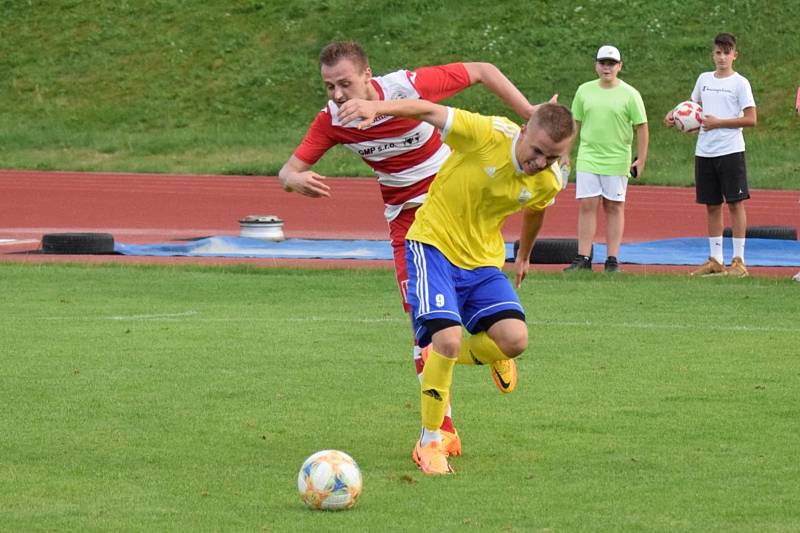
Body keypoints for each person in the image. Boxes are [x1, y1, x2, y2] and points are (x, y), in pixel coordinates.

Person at [278, 41, 539, 457]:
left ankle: (492, 350)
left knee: (493, 326)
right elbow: (288, 169)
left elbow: (482, 69)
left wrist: (529, 114)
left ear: (368, 75)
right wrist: (293, 180)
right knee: (426, 328)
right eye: (329, 87)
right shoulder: (331, 121)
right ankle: (442, 430)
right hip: (407, 222)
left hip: (456, 209)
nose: (338, 95)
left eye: (345, 83)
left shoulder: (405, 87)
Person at [338, 97, 576, 474]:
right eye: (537, 151)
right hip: (433, 245)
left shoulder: (548, 179)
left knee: (514, 341)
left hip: (482, 261)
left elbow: (536, 210)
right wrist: (375, 106)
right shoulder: (486, 134)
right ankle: (430, 441)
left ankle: (459, 357)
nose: (540, 162)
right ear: (524, 128)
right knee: (446, 339)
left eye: (552, 157)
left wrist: (525, 254)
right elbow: (427, 110)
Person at [665, 32, 757, 277]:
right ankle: (716, 259)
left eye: (727, 53)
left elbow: (751, 119)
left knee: (735, 204)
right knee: (712, 205)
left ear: (735, 55)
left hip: (730, 150)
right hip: (705, 151)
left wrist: (719, 123)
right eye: (718, 52)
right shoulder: (704, 79)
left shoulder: (740, 83)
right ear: (713, 54)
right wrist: (675, 116)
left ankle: (739, 262)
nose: (722, 57)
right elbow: (691, 108)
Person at [564, 45, 648, 273]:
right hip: (589, 156)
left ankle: (612, 259)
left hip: (617, 158)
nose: (607, 68)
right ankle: (583, 257)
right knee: (587, 204)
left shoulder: (630, 94)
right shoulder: (584, 91)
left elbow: (641, 126)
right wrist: (566, 152)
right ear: (596, 65)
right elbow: (575, 124)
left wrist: (640, 159)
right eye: (603, 63)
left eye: (611, 64)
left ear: (619, 66)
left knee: (614, 206)